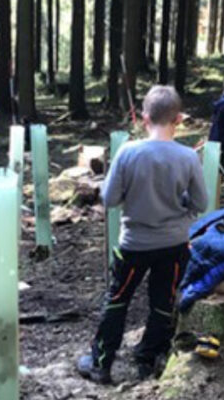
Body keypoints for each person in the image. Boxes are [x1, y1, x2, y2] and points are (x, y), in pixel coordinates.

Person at [77, 86, 209, 384]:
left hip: (133, 244)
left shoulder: (128, 152)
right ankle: (147, 360)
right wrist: (181, 202)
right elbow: (201, 203)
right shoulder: (188, 156)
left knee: (117, 300)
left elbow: (109, 199)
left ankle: (101, 363)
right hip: (175, 245)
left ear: (144, 118)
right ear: (178, 119)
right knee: (163, 302)